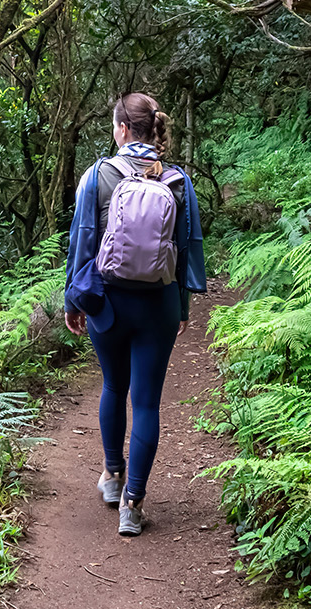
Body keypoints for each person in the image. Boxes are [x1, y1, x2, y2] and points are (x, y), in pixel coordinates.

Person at [63, 92, 206, 536]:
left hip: (108, 301)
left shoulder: (99, 174)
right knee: (146, 401)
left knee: (113, 385)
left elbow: (82, 239)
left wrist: (74, 300)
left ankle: (111, 475)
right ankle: (133, 503)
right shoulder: (178, 180)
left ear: (123, 129)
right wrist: (181, 305)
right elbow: (188, 248)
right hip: (158, 303)